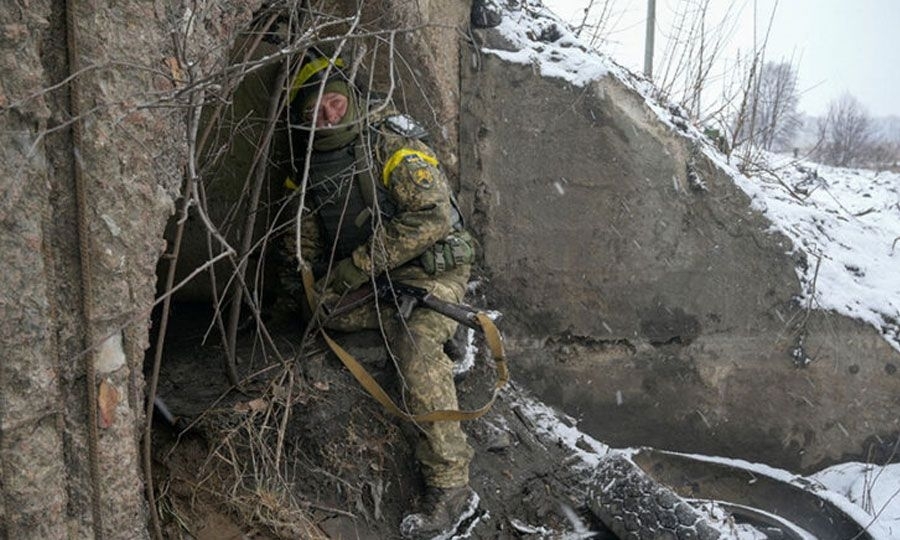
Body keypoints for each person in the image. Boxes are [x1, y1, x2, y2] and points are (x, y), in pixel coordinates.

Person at [282, 48, 479, 539]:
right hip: (382, 282)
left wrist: (358, 266)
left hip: (433, 269)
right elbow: (301, 246)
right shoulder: (306, 168)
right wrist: (301, 293)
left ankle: (453, 485)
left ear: (347, 95)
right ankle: (439, 325)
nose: (328, 116)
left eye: (333, 102)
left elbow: (431, 216)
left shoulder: (388, 140)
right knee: (327, 316)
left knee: (414, 345)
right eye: (314, 111)